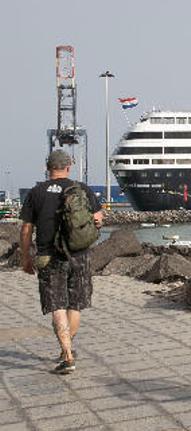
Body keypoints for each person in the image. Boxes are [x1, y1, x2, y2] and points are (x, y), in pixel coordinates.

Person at [19, 150, 103, 374]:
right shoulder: (80, 189)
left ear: (48, 168)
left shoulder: (36, 192)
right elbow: (97, 218)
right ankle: (69, 347)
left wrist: (26, 257)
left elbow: (26, 229)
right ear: (68, 167)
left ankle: (66, 354)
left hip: (49, 256)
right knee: (75, 304)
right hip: (79, 255)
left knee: (57, 305)